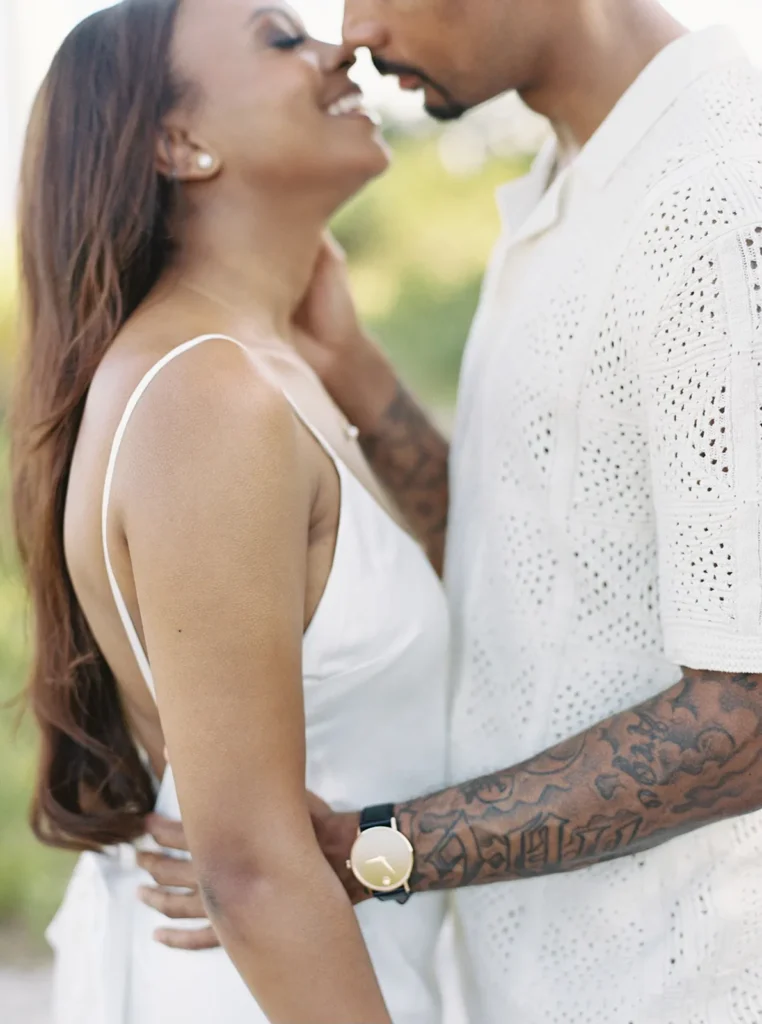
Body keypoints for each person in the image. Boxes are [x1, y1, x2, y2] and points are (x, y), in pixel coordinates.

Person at [144, 0, 762, 1020]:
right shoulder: (571, 183)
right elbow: (531, 550)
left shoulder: (716, 205)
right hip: (537, 984)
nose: (357, 33)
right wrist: (364, 379)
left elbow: (747, 709)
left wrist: (376, 849)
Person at [11, 1, 453, 1021]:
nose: (340, 46)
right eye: (280, 37)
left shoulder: (261, 370)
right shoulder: (206, 397)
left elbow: (477, 563)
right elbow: (249, 868)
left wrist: (355, 366)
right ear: (181, 143)